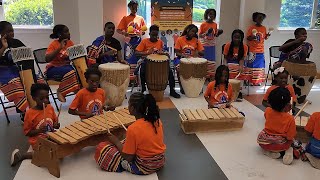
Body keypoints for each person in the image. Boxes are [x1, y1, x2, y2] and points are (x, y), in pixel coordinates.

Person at [94, 92, 166, 175]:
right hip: (160, 162)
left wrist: (116, 141)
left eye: (128, 104)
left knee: (102, 148)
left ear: (132, 108)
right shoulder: (156, 121)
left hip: (144, 167)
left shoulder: (133, 128)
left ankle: (123, 166)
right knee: (126, 141)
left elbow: (128, 157)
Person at [0, 21, 43, 119]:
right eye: (9, 31)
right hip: (3, 71)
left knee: (38, 80)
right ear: (1, 33)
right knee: (16, 84)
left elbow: (26, 55)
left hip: (16, 69)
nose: (12, 33)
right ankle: (24, 111)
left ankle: (37, 107)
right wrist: (4, 47)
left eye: (12, 31)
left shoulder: (16, 42)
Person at [10, 83, 60, 166]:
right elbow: (27, 133)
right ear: (34, 98)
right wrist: (39, 130)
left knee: (62, 147)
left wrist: (55, 125)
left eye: (47, 97)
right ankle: (21, 156)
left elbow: (54, 122)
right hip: (38, 140)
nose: (45, 100)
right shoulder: (29, 113)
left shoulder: (50, 107)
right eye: (41, 98)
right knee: (50, 154)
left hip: (51, 136)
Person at [135, 25, 180, 98]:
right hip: (147, 62)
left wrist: (163, 53)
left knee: (170, 72)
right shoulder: (144, 41)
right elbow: (136, 53)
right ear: (149, 34)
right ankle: (143, 89)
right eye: (153, 35)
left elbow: (167, 54)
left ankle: (172, 90)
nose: (155, 37)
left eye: (156, 35)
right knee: (142, 71)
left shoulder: (160, 42)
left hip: (160, 63)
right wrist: (147, 53)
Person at [257, 87, 296, 165]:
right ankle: (287, 152)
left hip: (263, 142)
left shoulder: (268, 110)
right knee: (291, 141)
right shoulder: (290, 118)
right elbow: (290, 136)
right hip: (278, 145)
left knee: (264, 134)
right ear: (288, 105)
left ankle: (267, 152)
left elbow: (267, 117)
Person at [45, 24, 80, 102]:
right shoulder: (53, 44)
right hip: (53, 69)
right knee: (72, 71)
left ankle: (77, 91)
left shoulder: (70, 43)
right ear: (60, 34)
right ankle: (61, 91)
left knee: (80, 70)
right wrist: (60, 47)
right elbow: (47, 59)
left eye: (68, 31)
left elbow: (73, 56)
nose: (69, 33)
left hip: (67, 68)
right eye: (66, 31)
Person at [174, 24, 205, 94]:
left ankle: (196, 87)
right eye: (192, 31)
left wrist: (199, 52)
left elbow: (202, 52)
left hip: (193, 59)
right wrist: (184, 56)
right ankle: (182, 87)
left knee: (200, 66)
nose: (193, 33)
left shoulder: (196, 40)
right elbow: (177, 53)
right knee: (179, 67)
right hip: (181, 59)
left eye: (195, 32)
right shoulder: (180, 39)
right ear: (188, 30)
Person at [117, 0, 146, 64]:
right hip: (129, 41)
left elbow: (143, 31)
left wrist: (141, 33)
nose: (134, 9)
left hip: (138, 40)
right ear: (129, 7)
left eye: (136, 8)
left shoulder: (141, 18)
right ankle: (129, 73)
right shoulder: (125, 18)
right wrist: (124, 33)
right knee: (128, 59)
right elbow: (118, 30)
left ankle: (137, 73)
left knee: (138, 59)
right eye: (133, 8)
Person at [223, 29, 249, 100]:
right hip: (230, 62)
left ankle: (238, 91)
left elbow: (242, 59)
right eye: (235, 37)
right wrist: (225, 65)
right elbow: (225, 58)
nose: (236, 39)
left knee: (242, 70)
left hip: (240, 62)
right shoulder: (227, 45)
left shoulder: (245, 47)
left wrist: (240, 66)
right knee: (229, 68)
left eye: (238, 38)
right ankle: (229, 89)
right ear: (232, 37)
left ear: (241, 38)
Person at [246, 12, 270, 86]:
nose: (260, 19)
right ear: (255, 19)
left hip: (261, 50)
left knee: (259, 66)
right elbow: (248, 38)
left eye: (262, 18)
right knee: (251, 65)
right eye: (259, 17)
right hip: (252, 50)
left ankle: (257, 81)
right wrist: (252, 37)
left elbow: (265, 38)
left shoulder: (264, 28)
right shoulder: (251, 28)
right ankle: (250, 81)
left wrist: (268, 35)